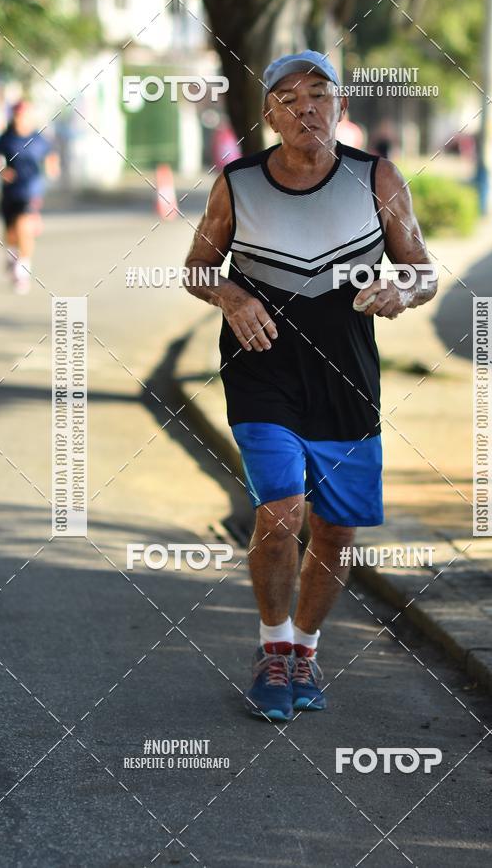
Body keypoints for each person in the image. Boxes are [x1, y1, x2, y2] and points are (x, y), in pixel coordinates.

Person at [184, 50, 437, 720]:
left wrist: (401, 288)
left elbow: (424, 269)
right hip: (262, 371)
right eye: (288, 97)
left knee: (334, 531)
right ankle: (272, 651)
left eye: (320, 93)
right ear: (269, 115)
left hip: (348, 380)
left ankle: (303, 649)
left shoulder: (376, 178)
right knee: (282, 512)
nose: (307, 107)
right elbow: (197, 268)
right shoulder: (237, 184)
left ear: (341, 108)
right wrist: (234, 297)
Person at [0, 101, 59, 293]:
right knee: (11, 232)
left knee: (24, 226)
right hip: (9, 192)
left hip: (30, 191)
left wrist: (52, 167)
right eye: (17, 116)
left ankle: (23, 269)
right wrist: (1, 170)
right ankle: (12, 258)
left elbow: (51, 155)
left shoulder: (39, 139)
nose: (21, 119)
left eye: (24, 115)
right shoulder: (5, 138)